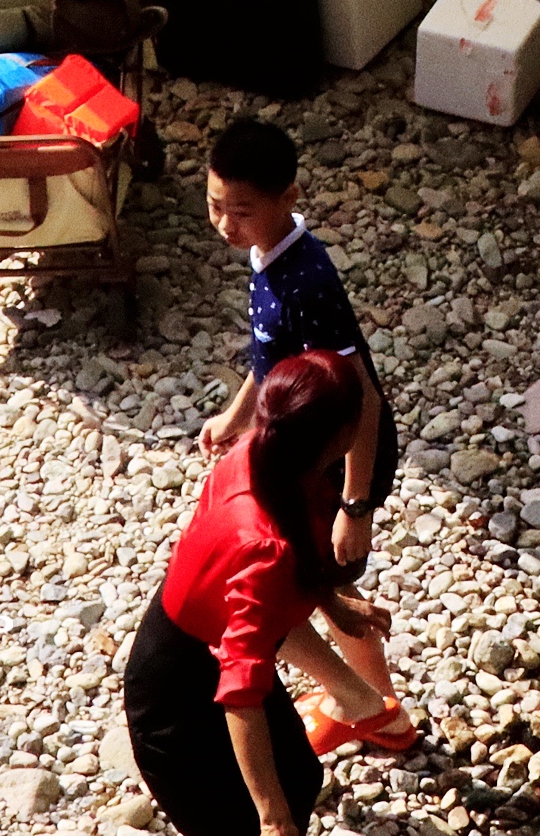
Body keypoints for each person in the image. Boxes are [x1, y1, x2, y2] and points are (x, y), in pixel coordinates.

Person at [197, 117, 412, 754]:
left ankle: (380, 712)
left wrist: (355, 506)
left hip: (334, 458)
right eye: (213, 205)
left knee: (329, 581)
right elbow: (271, 355)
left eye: (241, 210)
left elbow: (364, 399)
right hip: (297, 448)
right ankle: (371, 704)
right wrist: (237, 418)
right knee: (317, 580)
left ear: (289, 198)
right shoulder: (266, 254)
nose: (225, 225)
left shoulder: (308, 280)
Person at [125, 352, 404, 836]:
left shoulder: (257, 456)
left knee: (299, 775)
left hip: (208, 649)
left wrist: (334, 604)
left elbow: (292, 552)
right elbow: (240, 693)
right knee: (242, 821)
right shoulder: (265, 548)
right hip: (176, 696)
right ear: (340, 438)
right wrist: (271, 820)